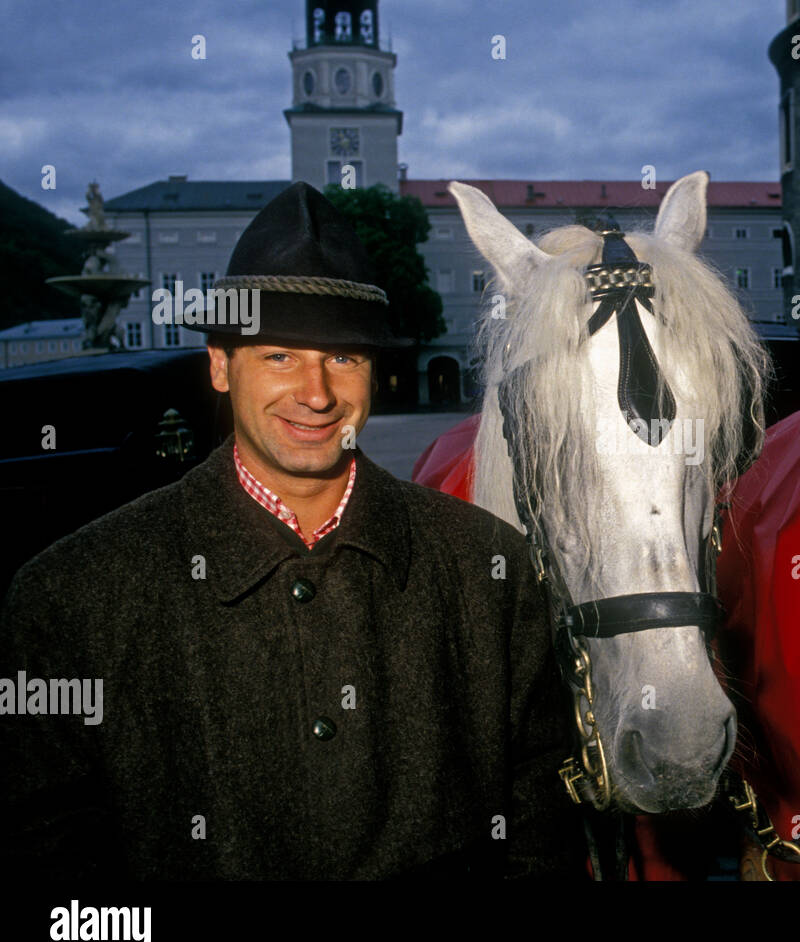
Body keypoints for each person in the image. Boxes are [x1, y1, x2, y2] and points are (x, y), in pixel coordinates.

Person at [0, 182, 585, 879]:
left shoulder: (493, 569)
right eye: (280, 355)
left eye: (344, 357)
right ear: (220, 365)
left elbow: (541, 815)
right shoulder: (72, 597)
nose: (316, 393)